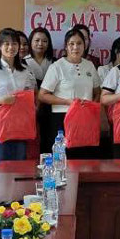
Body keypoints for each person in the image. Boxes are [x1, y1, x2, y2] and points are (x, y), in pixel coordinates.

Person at [0, 28, 37, 174]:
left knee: (18, 164)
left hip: (20, 123)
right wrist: (1, 100)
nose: (11, 47)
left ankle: (16, 197)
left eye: (14, 44)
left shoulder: (25, 70)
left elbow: (32, 95)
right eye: (6, 44)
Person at [39, 29, 102, 159]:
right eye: (71, 44)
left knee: (85, 156)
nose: (75, 47)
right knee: (65, 159)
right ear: (66, 46)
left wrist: (92, 105)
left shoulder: (89, 65)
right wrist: (67, 101)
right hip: (62, 118)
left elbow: (97, 91)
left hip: (86, 118)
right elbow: (42, 95)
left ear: (85, 46)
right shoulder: (57, 67)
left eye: (79, 43)